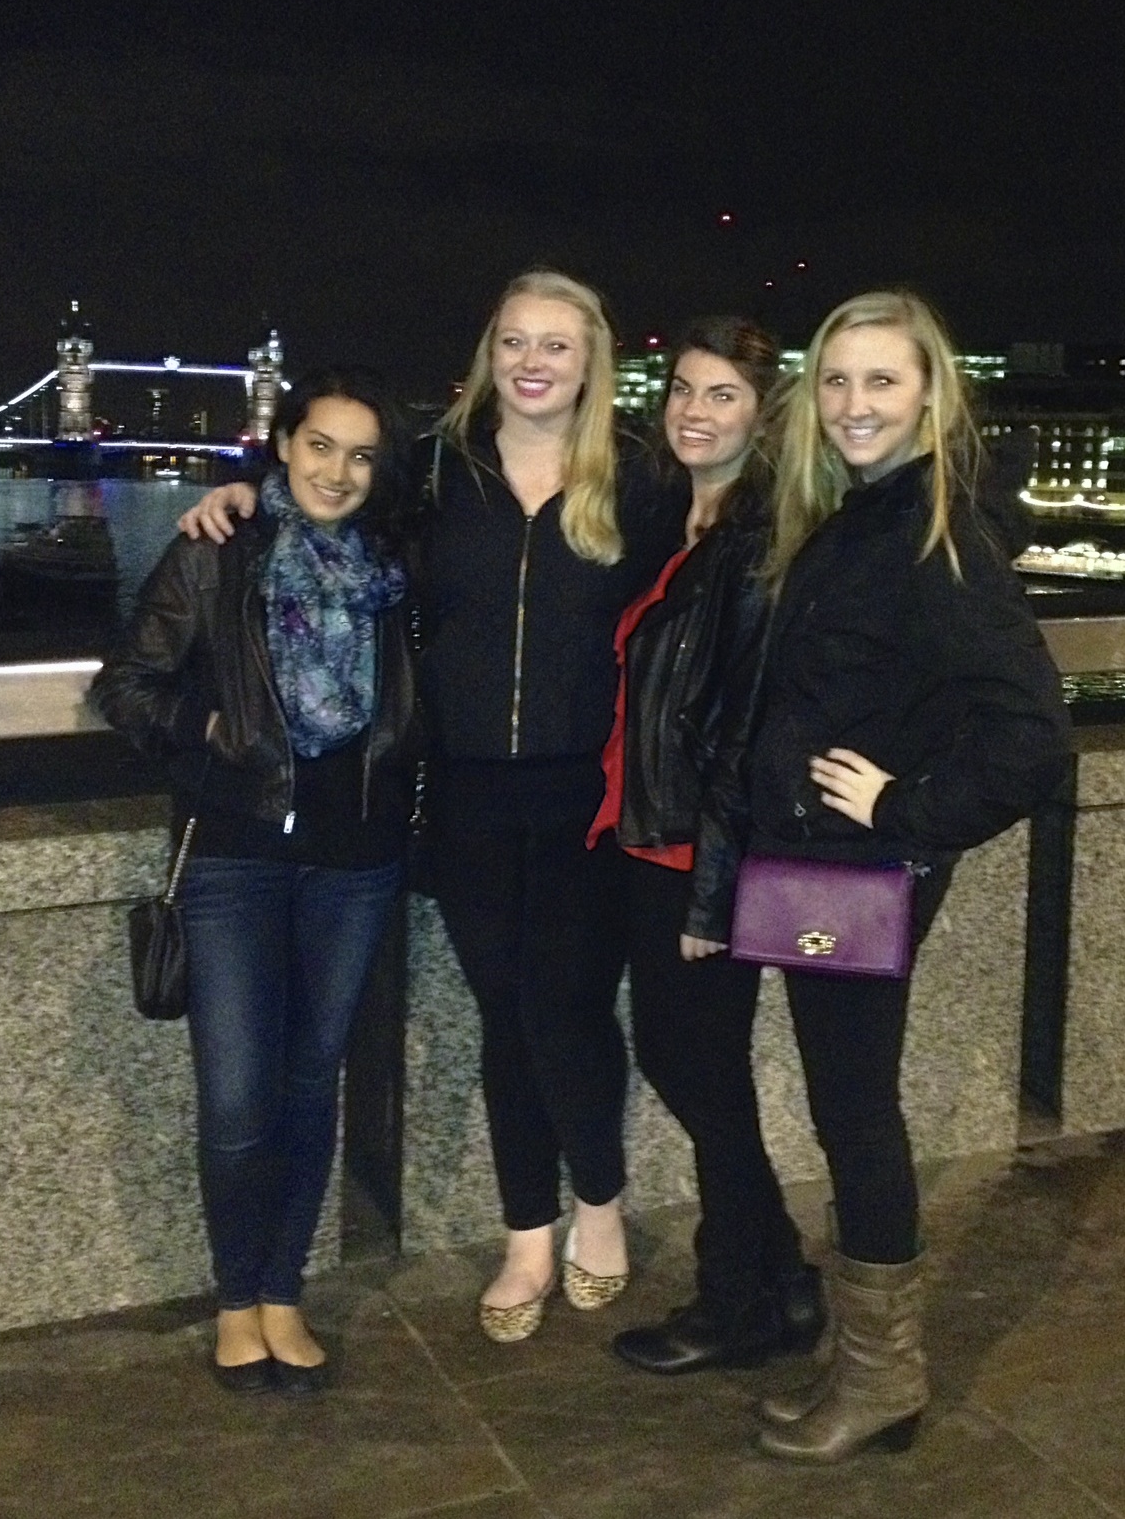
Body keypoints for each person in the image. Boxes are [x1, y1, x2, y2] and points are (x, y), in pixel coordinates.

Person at [179, 271, 682, 1343]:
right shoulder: (441, 470)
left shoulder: (641, 479)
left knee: (569, 1008)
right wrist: (238, 493)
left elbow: (702, 587)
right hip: (463, 793)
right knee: (505, 1012)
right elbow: (331, 504)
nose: (533, 362)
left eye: (557, 344)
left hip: (590, 796)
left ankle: (599, 1202)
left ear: (591, 361)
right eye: (514, 340)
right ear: (490, 352)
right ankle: (527, 1232)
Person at [742, 290, 1070, 1462]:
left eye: (882, 380)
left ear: (931, 395)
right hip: (819, 864)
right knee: (849, 1107)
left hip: (859, 867)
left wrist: (902, 808)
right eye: (836, 380)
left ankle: (884, 1376)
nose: (853, 403)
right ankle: (862, 1355)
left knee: (859, 1113)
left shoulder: (939, 537)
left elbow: (1032, 738)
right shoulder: (860, 514)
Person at [92, 367, 419, 1394]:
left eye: (361, 456)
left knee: (311, 1084)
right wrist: (208, 726)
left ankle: (284, 1290)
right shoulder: (217, 550)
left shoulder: (395, 568)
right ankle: (237, 1298)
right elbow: (124, 685)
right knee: (237, 1097)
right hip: (233, 858)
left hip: (355, 863)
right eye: (320, 445)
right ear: (284, 444)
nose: (338, 472)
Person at [584, 317, 827, 1379]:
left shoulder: (761, 543)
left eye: (722, 394)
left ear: (762, 414)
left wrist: (713, 895)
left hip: (696, 854)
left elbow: (741, 731)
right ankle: (780, 1275)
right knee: (691, 1064)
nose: (693, 410)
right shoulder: (674, 518)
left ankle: (737, 1303)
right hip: (648, 837)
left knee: (698, 1068)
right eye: (683, 388)